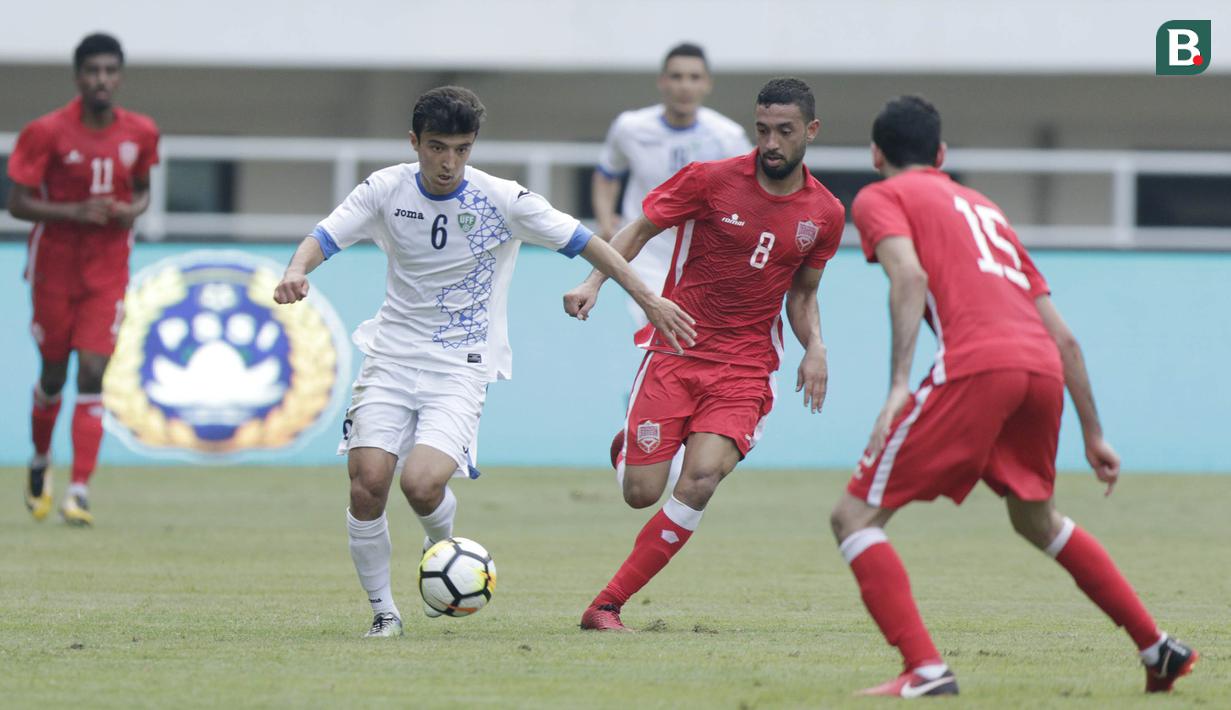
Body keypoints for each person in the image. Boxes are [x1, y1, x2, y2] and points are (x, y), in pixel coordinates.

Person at [272, 86, 694, 638]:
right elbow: (325, 236)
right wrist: (295, 270)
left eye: (462, 149)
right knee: (367, 482)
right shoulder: (385, 189)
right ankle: (384, 613)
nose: (449, 163)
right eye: (437, 147)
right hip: (391, 358)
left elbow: (590, 242)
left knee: (421, 485)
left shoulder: (503, 200)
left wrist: (645, 298)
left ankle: (438, 543)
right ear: (415, 143)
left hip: (460, 364)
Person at [829, 95, 1198, 697]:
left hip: (979, 366)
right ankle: (1157, 648)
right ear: (942, 155)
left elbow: (911, 277)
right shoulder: (985, 208)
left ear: (876, 154)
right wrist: (1093, 432)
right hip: (1041, 369)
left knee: (853, 517)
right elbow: (1065, 337)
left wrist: (898, 384)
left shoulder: (880, 196)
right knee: (1037, 519)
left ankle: (924, 669)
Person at [565, 77, 845, 631]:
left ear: (809, 131)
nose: (771, 143)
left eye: (785, 132)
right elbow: (638, 229)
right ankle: (631, 448)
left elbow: (804, 293)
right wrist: (594, 282)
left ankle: (606, 605)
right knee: (642, 494)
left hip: (745, 368)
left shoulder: (826, 213)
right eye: (763, 129)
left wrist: (815, 346)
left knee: (701, 478)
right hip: (678, 349)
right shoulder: (712, 180)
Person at [7, 33, 160, 526]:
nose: (102, 80)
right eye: (92, 71)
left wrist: (125, 212)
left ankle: (79, 491)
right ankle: (38, 460)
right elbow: (17, 201)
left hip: (107, 270)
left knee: (93, 371)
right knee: (53, 374)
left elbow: (142, 194)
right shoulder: (46, 132)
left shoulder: (140, 132)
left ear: (119, 76)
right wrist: (73, 210)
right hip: (54, 268)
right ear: (78, 76)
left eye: (110, 71)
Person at [593, 43, 751, 490]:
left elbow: (746, 194)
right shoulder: (631, 127)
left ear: (707, 84)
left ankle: (656, 431)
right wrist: (608, 226)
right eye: (676, 76)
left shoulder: (727, 136)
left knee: (689, 345)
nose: (685, 86)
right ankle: (650, 430)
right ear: (663, 81)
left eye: (694, 77)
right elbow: (607, 173)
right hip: (646, 254)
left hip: (701, 261)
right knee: (664, 339)